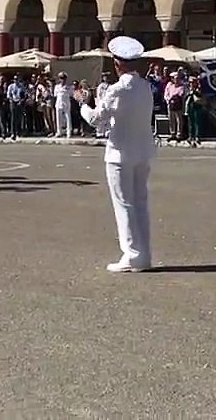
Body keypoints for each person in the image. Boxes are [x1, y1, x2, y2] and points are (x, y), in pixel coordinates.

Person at [89, 36, 157, 273]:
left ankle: (132, 254)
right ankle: (144, 254)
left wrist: (82, 105)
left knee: (124, 204)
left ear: (117, 64)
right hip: (143, 151)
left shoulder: (118, 89)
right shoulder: (145, 86)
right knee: (140, 203)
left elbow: (96, 119)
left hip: (120, 152)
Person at [53, 71, 74, 138]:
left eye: (64, 78)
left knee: (68, 117)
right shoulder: (57, 87)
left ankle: (68, 132)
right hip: (59, 103)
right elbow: (55, 95)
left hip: (66, 103)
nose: (62, 80)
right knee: (58, 118)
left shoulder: (69, 87)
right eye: (61, 78)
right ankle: (59, 132)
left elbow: (71, 95)